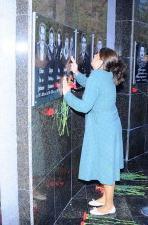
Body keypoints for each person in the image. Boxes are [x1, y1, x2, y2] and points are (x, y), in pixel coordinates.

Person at [61, 48, 125, 216]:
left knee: (106, 165)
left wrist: (67, 94)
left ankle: (109, 205)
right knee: (107, 163)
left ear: (101, 61)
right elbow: (91, 85)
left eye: (97, 54)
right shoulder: (105, 74)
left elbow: (84, 106)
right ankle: (106, 197)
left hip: (104, 128)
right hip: (110, 126)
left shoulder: (98, 76)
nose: (94, 55)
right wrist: (75, 73)